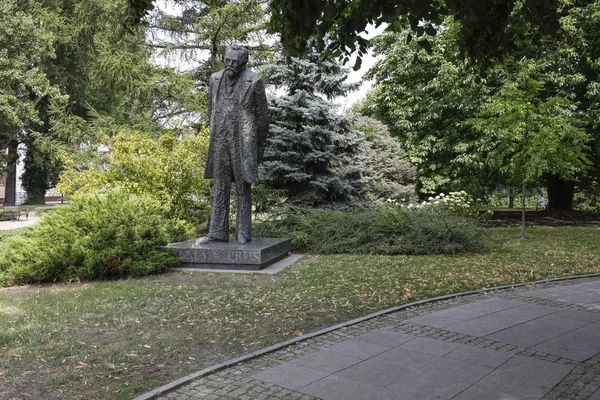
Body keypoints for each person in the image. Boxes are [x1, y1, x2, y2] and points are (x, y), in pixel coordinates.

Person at [198, 44, 269, 244]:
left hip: (243, 143)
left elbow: (263, 119)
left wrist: (257, 150)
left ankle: (243, 232)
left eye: (234, 62)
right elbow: (211, 109)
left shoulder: (255, 81)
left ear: (244, 63)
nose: (230, 64)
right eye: (227, 60)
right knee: (220, 185)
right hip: (220, 139)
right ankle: (217, 232)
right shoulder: (215, 79)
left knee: (243, 186)